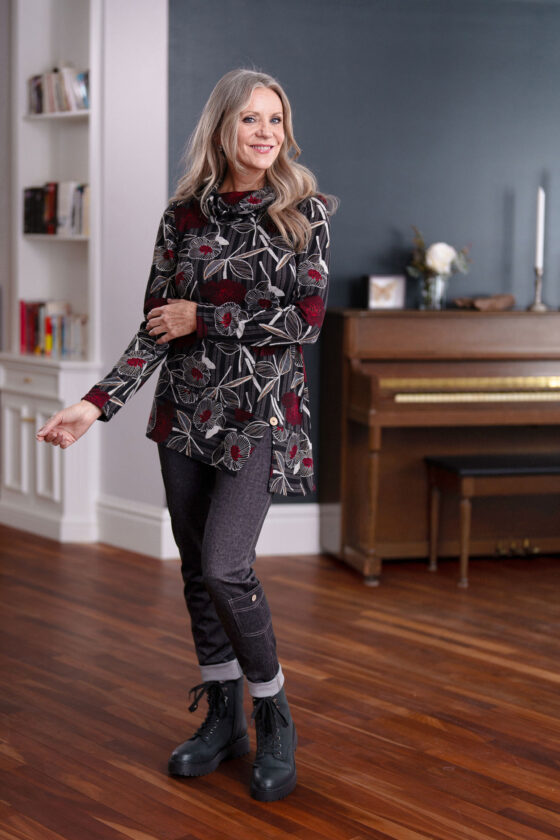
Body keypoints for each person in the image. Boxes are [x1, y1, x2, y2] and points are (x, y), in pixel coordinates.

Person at [36, 67, 337, 803]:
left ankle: (274, 713)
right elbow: (154, 328)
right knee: (198, 572)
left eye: (276, 119)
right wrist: (94, 403)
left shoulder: (305, 212)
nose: (266, 133)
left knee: (229, 565)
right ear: (222, 129)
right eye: (250, 120)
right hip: (186, 414)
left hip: (260, 413)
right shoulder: (184, 217)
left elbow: (306, 321)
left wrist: (206, 318)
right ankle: (224, 717)